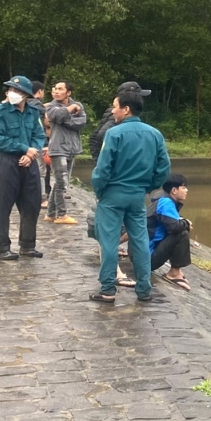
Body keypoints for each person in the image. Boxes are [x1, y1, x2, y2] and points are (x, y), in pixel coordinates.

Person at [89, 89, 170, 304]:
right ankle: (144, 289)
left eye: (115, 106)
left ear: (126, 109)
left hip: (113, 194)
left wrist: (99, 189)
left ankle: (107, 289)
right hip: (137, 195)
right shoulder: (155, 134)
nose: (113, 111)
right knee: (140, 240)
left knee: (108, 241)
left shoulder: (114, 134)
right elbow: (164, 168)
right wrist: (148, 187)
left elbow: (103, 168)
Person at [0, 76, 46, 261]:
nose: (13, 93)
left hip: (29, 162)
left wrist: (31, 153)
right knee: (2, 206)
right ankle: (1, 247)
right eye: (11, 89)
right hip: (7, 161)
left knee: (32, 204)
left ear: (26, 95)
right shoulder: (0, 111)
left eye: (18, 91)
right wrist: (25, 149)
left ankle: (28, 245)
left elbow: (39, 135)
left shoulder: (32, 112)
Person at [125, 174, 194, 291]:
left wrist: (183, 221)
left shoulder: (163, 201)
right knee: (182, 234)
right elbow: (174, 228)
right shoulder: (166, 203)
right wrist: (186, 223)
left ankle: (176, 271)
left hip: (139, 257)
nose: (186, 190)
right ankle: (174, 273)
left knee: (179, 229)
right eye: (183, 187)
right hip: (146, 260)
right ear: (174, 190)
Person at [44, 81, 87, 225]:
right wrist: (70, 110)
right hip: (58, 148)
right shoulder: (51, 106)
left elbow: (81, 122)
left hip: (72, 148)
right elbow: (54, 116)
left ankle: (50, 214)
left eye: (60, 89)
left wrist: (65, 118)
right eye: (55, 89)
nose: (56, 91)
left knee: (59, 182)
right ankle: (62, 214)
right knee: (62, 182)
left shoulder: (78, 105)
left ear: (68, 92)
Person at [89, 81, 151, 161]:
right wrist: (102, 160)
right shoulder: (116, 115)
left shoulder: (117, 112)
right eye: (137, 96)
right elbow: (100, 135)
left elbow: (95, 135)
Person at [28, 81, 48, 207]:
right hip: (35, 144)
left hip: (23, 143)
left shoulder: (23, 104)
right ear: (40, 91)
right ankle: (41, 198)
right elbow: (40, 127)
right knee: (41, 171)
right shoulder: (37, 106)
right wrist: (45, 143)